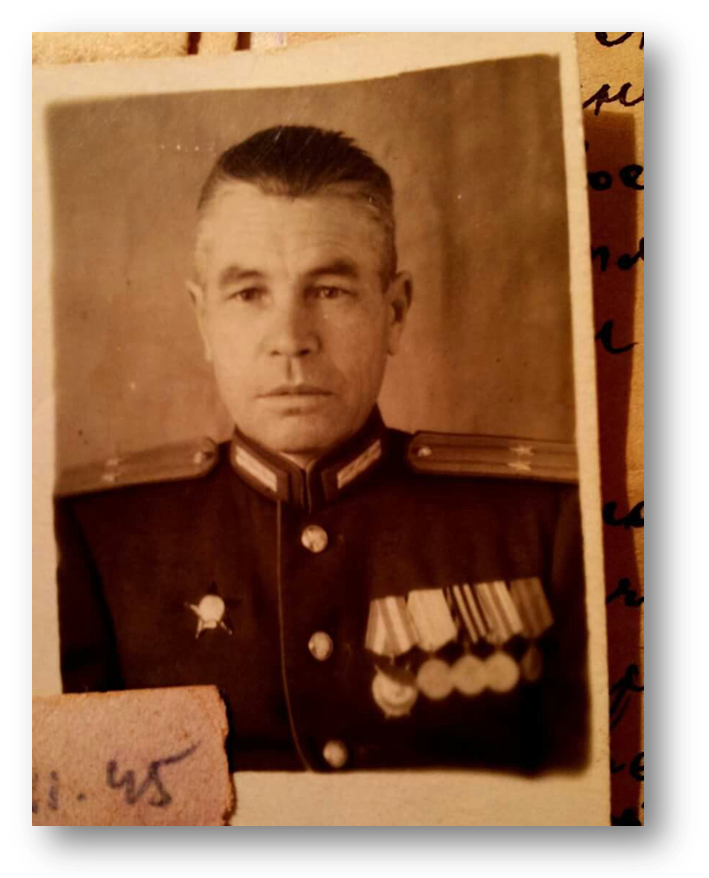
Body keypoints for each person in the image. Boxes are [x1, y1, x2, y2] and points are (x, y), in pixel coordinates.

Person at [55, 125, 589, 773]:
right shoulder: (93, 540)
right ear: (203, 319)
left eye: (329, 290)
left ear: (394, 312)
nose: (291, 338)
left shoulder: (545, 519)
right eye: (248, 293)